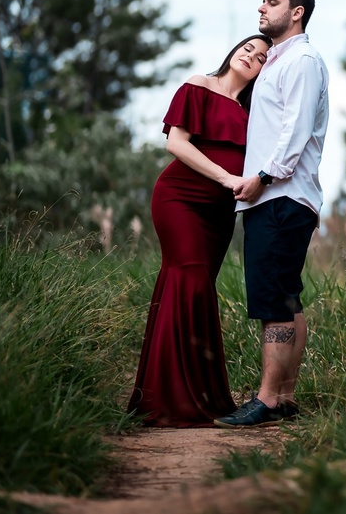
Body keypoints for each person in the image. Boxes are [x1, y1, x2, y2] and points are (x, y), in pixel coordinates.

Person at [128, 34, 273, 427]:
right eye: (247, 48)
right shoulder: (199, 85)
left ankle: (199, 395)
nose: (251, 57)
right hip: (179, 197)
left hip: (219, 213)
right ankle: (172, 402)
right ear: (233, 51)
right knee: (187, 278)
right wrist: (227, 177)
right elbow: (176, 143)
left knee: (196, 288)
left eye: (261, 57)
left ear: (264, 70)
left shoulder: (254, 111)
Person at [214, 0, 329, 428]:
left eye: (271, 2)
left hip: (280, 196)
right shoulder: (280, 60)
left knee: (273, 303)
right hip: (281, 196)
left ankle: (266, 400)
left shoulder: (301, 60)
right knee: (287, 298)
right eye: (263, 1)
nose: (261, 9)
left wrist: (262, 177)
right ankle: (283, 396)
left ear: (296, 11)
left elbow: (296, 130)